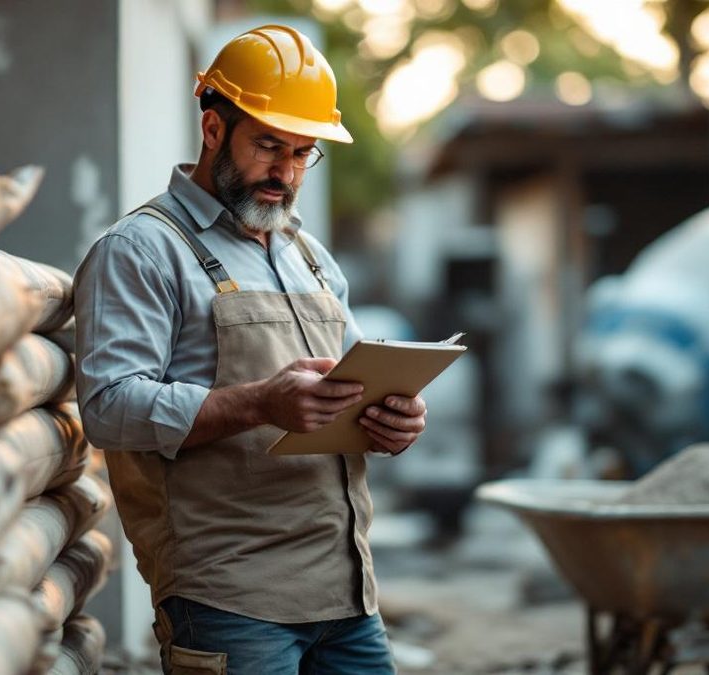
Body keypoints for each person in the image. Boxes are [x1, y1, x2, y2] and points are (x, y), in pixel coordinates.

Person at [73, 24, 427, 675]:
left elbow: (353, 390)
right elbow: (108, 406)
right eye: (268, 145)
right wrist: (261, 402)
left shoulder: (309, 257)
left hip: (347, 593)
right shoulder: (140, 250)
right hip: (229, 599)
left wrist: (392, 419)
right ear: (212, 128)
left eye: (302, 152)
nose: (285, 172)